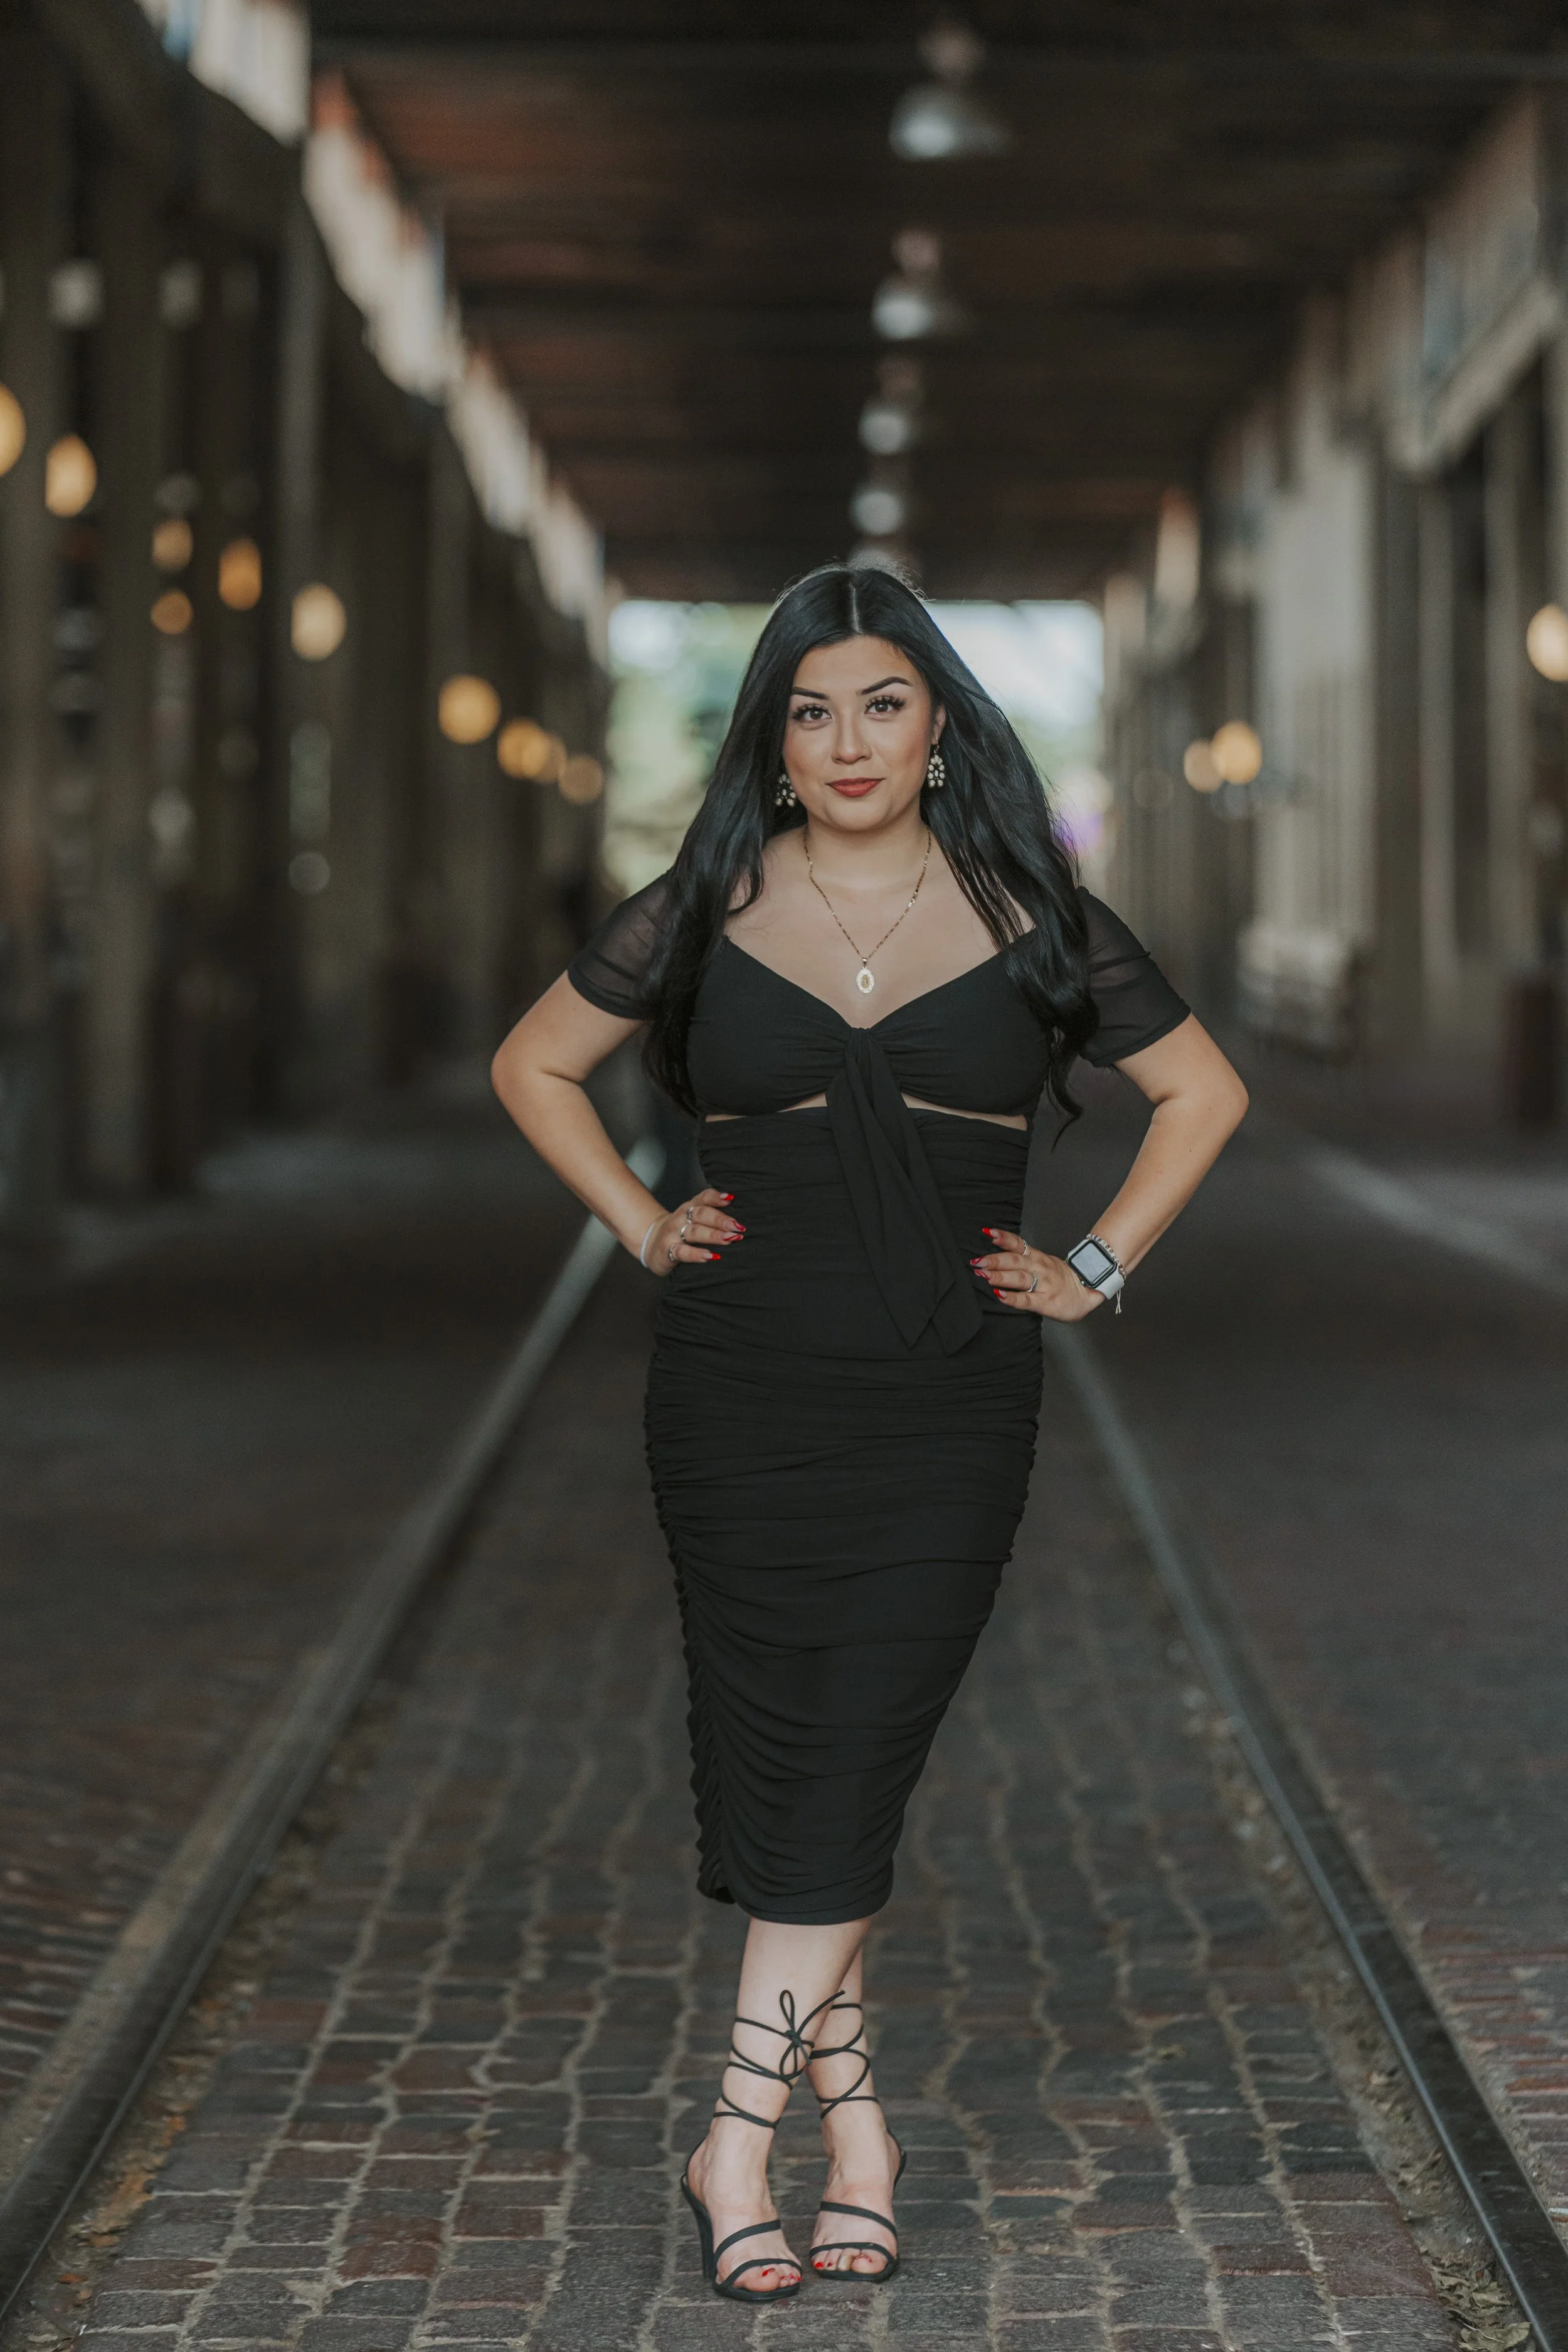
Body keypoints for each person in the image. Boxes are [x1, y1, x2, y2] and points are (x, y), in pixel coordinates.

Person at [491, 564, 1247, 2304]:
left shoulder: (1033, 908)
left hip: (946, 1393)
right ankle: (861, 2140)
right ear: (771, 735)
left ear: (935, 726)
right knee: (790, 1750)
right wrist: (635, 1217)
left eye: (882, 703)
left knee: (862, 1736)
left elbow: (1202, 1091)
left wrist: (1093, 1263)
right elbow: (533, 1065)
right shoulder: (696, 904)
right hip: (739, 1387)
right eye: (810, 708)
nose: (846, 739)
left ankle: (730, 2139)